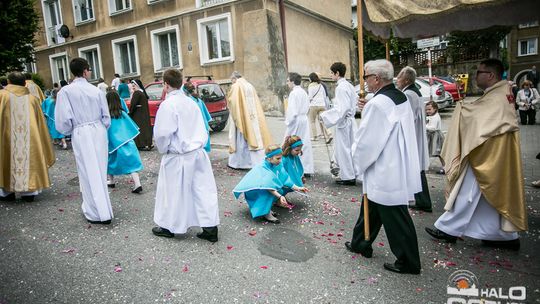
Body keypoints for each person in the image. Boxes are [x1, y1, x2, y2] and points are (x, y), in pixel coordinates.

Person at [425, 58, 528, 251]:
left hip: (487, 152)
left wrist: (462, 108)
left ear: (490, 75)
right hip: (491, 149)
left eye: (479, 72)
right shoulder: (500, 92)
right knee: (488, 194)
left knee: (468, 190)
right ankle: (502, 236)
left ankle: (448, 228)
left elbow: (480, 118)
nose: (475, 76)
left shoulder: (497, 95)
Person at [346, 59, 422, 275]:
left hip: (385, 166)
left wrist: (355, 156)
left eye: (366, 77)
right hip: (395, 160)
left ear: (376, 78)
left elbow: (367, 142)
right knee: (371, 205)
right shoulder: (398, 96)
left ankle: (409, 261)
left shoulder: (378, 105)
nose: (364, 82)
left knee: (394, 214)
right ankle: (360, 243)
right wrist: (369, 103)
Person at [151, 69, 220, 242]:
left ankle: (169, 226)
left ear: (166, 85)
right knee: (202, 190)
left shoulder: (168, 105)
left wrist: (164, 149)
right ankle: (210, 228)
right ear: (181, 83)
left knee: (173, 192)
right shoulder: (191, 102)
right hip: (198, 152)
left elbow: (162, 133)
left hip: (179, 155)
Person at [55, 57, 113, 225]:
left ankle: (95, 211)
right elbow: (106, 117)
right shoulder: (96, 91)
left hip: (81, 130)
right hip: (98, 130)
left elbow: (63, 120)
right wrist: (101, 129)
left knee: (87, 171)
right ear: (85, 71)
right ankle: (103, 208)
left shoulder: (65, 92)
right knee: (100, 169)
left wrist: (70, 130)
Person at [0, 72, 55, 202]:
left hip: (7, 138)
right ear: (25, 83)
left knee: (6, 157)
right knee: (30, 154)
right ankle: (29, 192)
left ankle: (6, 192)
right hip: (30, 139)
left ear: (8, 82)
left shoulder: (2, 96)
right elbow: (40, 125)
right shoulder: (32, 99)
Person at [233, 144, 308, 224]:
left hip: (266, 187)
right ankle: (266, 213)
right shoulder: (263, 167)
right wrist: (280, 197)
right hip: (255, 191)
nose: (280, 160)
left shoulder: (277, 164)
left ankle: (267, 209)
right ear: (269, 158)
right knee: (271, 193)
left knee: (280, 190)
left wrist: (298, 188)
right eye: (278, 158)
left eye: (281, 158)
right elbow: (269, 187)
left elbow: (285, 178)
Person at [396, 66, 432, 212]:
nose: (397, 81)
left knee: (416, 169)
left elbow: (406, 118)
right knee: (416, 169)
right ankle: (418, 199)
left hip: (413, 137)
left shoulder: (409, 95)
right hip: (416, 135)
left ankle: (423, 201)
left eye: (399, 78)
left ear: (405, 80)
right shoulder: (413, 92)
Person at [320, 62, 357, 185]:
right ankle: (351, 173)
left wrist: (325, 116)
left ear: (337, 73)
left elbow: (342, 109)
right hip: (348, 120)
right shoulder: (349, 85)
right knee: (349, 148)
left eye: (331, 73)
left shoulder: (341, 87)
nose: (330, 75)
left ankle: (348, 177)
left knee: (344, 149)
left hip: (344, 122)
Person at [227, 71, 273, 170]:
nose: (232, 83)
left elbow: (233, 102)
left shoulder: (236, 86)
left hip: (242, 116)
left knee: (241, 140)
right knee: (254, 137)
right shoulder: (249, 85)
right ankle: (254, 161)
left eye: (231, 81)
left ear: (234, 79)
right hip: (253, 117)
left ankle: (241, 163)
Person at [105, 91, 143, 194]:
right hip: (127, 142)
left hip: (113, 144)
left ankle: (111, 180)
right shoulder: (123, 114)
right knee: (132, 163)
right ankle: (137, 183)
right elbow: (131, 127)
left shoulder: (106, 116)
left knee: (109, 162)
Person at [284, 72, 314, 175]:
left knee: (290, 142)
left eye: (288, 81)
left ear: (292, 81)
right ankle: (306, 168)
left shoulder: (294, 93)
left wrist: (288, 122)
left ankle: (290, 167)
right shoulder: (303, 92)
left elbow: (292, 111)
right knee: (304, 142)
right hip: (303, 119)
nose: (287, 83)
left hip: (296, 120)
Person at [183, 81, 212, 152]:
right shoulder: (198, 100)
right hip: (204, 127)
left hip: (197, 128)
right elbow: (206, 115)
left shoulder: (189, 101)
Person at [307, 72, 332, 142]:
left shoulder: (310, 86)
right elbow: (324, 95)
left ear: (311, 78)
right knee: (323, 121)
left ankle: (315, 137)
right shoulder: (320, 85)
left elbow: (310, 97)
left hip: (313, 106)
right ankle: (329, 133)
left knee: (312, 121)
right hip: (322, 105)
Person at [129, 79, 153, 150]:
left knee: (139, 129)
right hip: (143, 113)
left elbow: (133, 105)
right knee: (145, 128)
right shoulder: (142, 92)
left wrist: (130, 113)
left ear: (137, 85)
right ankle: (147, 143)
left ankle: (141, 144)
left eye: (134, 86)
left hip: (138, 114)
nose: (133, 87)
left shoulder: (137, 93)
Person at [425, 101, 445, 173]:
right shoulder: (431, 116)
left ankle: (445, 166)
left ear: (435, 109)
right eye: (426, 110)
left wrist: (425, 126)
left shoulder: (436, 117)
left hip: (436, 137)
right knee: (427, 151)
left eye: (429, 109)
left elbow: (433, 128)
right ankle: (425, 165)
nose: (428, 111)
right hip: (431, 136)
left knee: (439, 153)